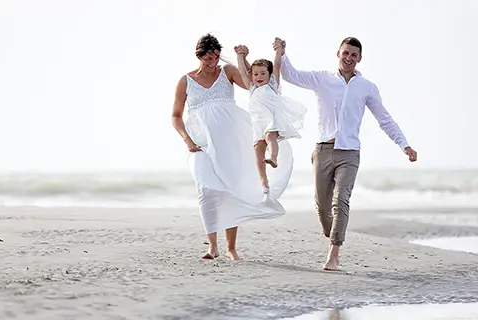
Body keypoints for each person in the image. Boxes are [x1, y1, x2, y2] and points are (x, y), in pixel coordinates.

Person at [272, 37, 418, 271]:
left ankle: (334, 254)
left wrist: (404, 145)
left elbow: (384, 119)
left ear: (359, 58)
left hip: (349, 153)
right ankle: (334, 236)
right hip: (323, 150)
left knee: (341, 201)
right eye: (345, 53)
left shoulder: (367, 88)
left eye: (354, 55)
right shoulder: (322, 79)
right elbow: (292, 75)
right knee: (322, 207)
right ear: (338, 54)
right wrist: (282, 52)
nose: (349, 58)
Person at [171, 34, 286, 260]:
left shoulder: (228, 71)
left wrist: (244, 58)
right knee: (206, 190)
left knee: (229, 191)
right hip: (200, 146)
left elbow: (255, 85)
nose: (213, 62)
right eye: (208, 58)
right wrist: (187, 140)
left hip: (230, 143)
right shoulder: (186, 80)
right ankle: (212, 246)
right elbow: (176, 116)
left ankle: (231, 248)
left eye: (215, 57)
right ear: (199, 55)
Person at [234, 44, 306, 193]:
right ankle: (263, 179)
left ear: (269, 75)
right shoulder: (252, 88)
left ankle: (273, 157)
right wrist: (240, 56)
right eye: (255, 74)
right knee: (258, 150)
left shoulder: (272, 85)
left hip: (271, 121)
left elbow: (277, 65)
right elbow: (243, 71)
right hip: (258, 124)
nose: (259, 77)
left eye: (262, 73)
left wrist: (278, 50)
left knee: (270, 137)